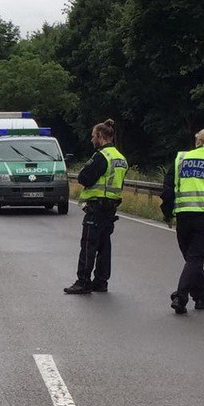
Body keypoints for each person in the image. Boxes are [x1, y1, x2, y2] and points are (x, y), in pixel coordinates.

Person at [160, 128, 204, 314]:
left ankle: (201, 297)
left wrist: (167, 212)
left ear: (197, 141)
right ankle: (182, 296)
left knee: (191, 258)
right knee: (195, 259)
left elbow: (168, 187)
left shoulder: (181, 158)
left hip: (184, 215)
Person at [64, 119, 128, 295]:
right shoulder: (121, 158)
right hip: (111, 207)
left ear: (100, 136)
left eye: (93, 137)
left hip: (97, 206)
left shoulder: (101, 156)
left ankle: (83, 282)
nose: (92, 140)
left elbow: (85, 178)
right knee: (104, 246)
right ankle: (101, 281)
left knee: (88, 244)